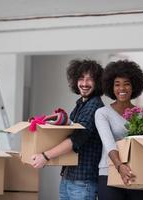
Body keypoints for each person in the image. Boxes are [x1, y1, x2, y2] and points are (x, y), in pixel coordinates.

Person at [30, 59, 104, 200]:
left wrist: (45, 156)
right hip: (69, 175)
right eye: (81, 78)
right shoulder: (81, 104)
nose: (84, 83)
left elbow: (76, 139)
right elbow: (66, 133)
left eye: (89, 79)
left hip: (83, 180)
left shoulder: (94, 106)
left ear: (98, 82)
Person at [95, 60, 143, 200]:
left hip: (138, 174)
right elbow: (109, 144)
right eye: (117, 84)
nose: (122, 88)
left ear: (134, 86)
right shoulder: (102, 113)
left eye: (127, 83)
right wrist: (120, 166)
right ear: (111, 87)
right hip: (109, 173)